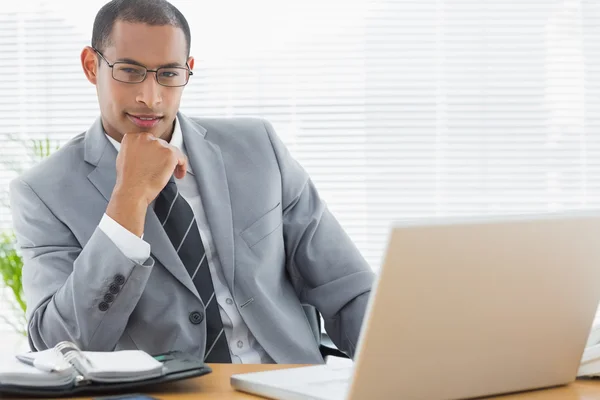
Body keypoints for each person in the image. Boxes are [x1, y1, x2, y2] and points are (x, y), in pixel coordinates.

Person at [9, 0, 374, 364]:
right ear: (92, 66)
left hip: (289, 381)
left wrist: (403, 372)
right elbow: (57, 345)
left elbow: (347, 288)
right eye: (129, 71)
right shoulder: (44, 192)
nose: (149, 98)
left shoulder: (258, 147)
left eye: (168, 74)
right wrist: (128, 200)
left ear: (188, 70)